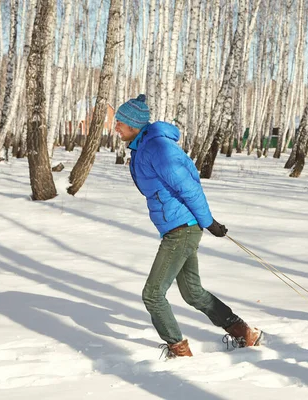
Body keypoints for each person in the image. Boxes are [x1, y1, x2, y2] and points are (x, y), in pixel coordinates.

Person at [115, 94, 263, 358]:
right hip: (178, 227)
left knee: (152, 294)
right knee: (193, 293)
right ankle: (245, 333)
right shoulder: (143, 146)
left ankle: (178, 350)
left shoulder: (157, 147)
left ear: (133, 125)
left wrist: (209, 223)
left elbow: (189, 187)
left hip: (181, 229)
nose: (115, 127)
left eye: (120, 123)